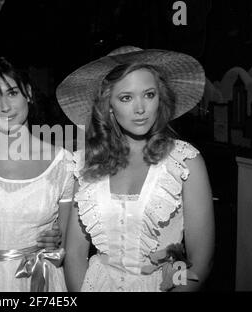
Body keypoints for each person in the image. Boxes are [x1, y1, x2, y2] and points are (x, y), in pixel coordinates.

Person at [59, 46, 215, 291]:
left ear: (160, 98)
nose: (140, 108)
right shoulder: (86, 164)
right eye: (126, 98)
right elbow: (75, 254)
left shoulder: (185, 161)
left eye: (149, 95)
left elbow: (200, 263)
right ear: (109, 106)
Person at [0, 56, 74, 291]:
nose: (5, 106)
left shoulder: (63, 162)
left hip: (40, 279)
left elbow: (69, 243)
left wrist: (58, 242)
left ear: (28, 93)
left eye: (12, 93)